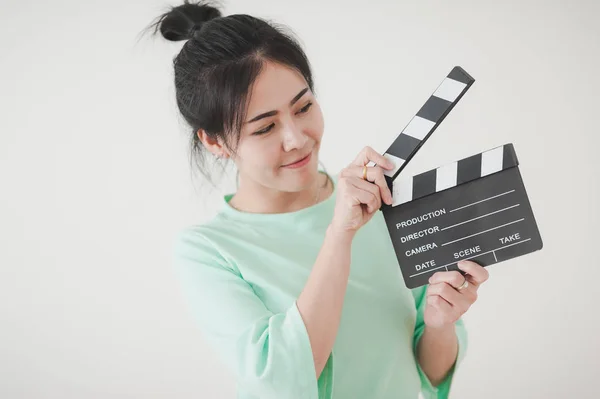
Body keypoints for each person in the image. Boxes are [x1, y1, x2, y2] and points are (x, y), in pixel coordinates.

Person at [148, 1, 489, 398]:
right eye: (265, 128)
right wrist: (339, 235)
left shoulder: (379, 201)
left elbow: (429, 375)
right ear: (213, 140)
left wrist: (439, 324)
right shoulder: (207, 252)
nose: (296, 139)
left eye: (304, 106)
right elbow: (283, 379)